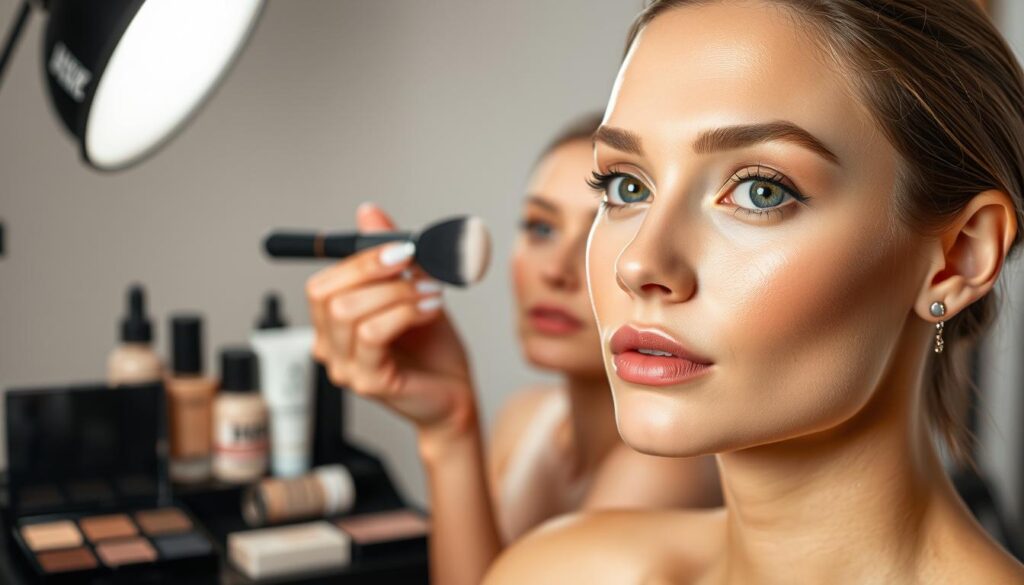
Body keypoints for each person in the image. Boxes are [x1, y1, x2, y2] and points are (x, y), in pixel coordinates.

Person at [484, 1, 1024, 583]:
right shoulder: (557, 572)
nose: (639, 262)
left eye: (760, 193)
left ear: (958, 258)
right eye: (627, 185)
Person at [306, 114, 722, 585]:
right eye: (541, 228)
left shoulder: (668, 471)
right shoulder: (524, 418)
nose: (556, 271)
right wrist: (449, 426)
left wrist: (450, 438)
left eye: (602, 231)